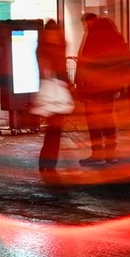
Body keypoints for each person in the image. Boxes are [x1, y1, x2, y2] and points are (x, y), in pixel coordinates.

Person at [72, 14, 130, 164]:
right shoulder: (116, 36)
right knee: (108, 117)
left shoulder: (92, 36)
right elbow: (129, 61)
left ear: (90, 22)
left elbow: (84, 61)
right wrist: (122, 82)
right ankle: (111, 153)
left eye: (86, 24)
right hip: (110, 87)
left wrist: (79, 84)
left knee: (94, 119)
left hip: (93, 86)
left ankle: (97, 154)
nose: (85, 27)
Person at [34, 19, 72, 173]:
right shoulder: (58, 45)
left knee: (54, 129)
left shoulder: (44, 46)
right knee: (55, 129)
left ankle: (47, 161)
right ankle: (48, 162)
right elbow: (60, 67)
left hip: (51, 89)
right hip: (56, 91)